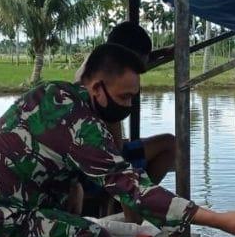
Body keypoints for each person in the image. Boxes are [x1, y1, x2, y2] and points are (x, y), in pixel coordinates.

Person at [0, 42, 235, 237]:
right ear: (96, 88)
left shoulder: (54, 93)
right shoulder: (81, 125)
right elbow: (137, 191)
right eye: (124, 97)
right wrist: (219, 220)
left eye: (134, 97)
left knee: (71, 194)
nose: (129, 105)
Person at [68, 21, 174, 219]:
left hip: (91, 156)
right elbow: (115, 152)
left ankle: (132, 202)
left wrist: (161, 53)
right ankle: (135, 206)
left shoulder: (99, 63)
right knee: (169, 145)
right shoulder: (103, 91)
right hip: (91, 170)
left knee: (165, 144)